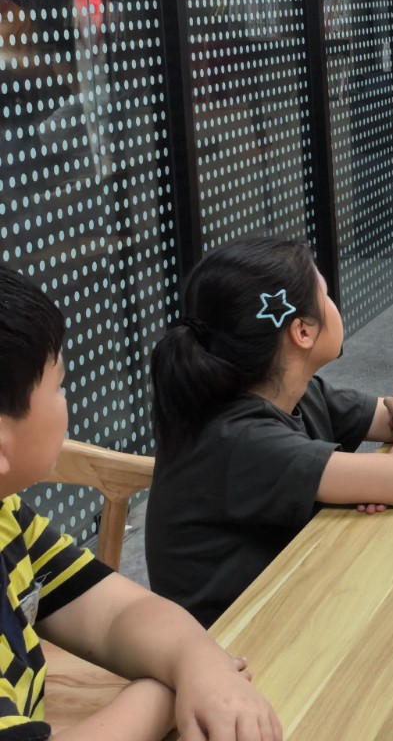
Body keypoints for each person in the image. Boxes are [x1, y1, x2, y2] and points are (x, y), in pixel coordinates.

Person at [0, 265, 281, 741]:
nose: (67, 401)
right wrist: (165, 692)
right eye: (59, 386)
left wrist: (195, 662)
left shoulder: (7, 517)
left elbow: (112, 613)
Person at [146, 239, 393, 628]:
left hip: (295, 601)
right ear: (302, 331)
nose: (334, 304)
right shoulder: (240, 440)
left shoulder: (299, 392)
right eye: (326, 295)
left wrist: (378, 476)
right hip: (238, 643)